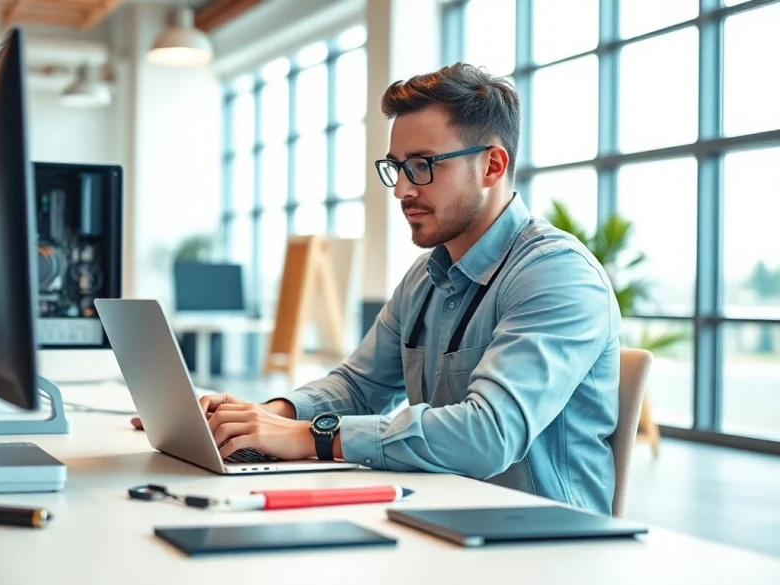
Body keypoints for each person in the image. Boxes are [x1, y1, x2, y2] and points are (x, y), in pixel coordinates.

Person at [137, 63, 622, 515]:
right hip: (442, 517)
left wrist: (313, 436)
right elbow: (359, 386)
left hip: (543, 543)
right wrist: (261, 418)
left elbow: (487, 434)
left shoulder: (557, 274)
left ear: (492, 166)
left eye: (423, 165)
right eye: (396, 167)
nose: (402, 190)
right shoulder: (426, 275)